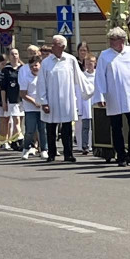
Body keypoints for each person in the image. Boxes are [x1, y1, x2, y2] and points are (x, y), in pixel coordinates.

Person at [94, 27, 130, 168]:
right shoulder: (105, 55)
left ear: (122, 40)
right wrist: (100, 96)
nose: (111, 42)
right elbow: (100, 76)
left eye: (113, 39)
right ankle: (120, 155)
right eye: (110, 39)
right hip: (113, 95)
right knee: (116, 127)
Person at [39, 35, 88, 163]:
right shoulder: (46, 62)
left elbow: (79, 77)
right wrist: (44, 102)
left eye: (55, 44)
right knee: (51, 128)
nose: (52, 46)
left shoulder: (70, 60)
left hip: (67, 99)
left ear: (62, 46)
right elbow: (41, 83)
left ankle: (68, 154)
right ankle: (51, 153)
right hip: (51, 99)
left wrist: (88, 89)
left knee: (67, 128)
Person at [20, 55, 48, 160]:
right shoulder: (26, 78)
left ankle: (44, 149)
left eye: (36, 65)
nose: (34, 68)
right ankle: (26, 148)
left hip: (42, 107)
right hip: (30, 108)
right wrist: (34, 102)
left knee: (43, 129)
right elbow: (23, 94)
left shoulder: (44, 77)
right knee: (30, 130)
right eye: (32, 66)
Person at [1, 47, 24, 147]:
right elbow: (3, 88)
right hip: (12, 98)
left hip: (22, 98)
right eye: (12, 54)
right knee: (16, 120)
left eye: (16, 54)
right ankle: (21, 140)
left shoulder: (23, 68)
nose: (14, 56)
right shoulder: (6, 70)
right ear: (9, 57)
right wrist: (4, 102)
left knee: (20, 121)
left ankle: (15, 142)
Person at [75, 53, 98, 154]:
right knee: (85, 127)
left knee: (96, 127)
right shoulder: (82, 77)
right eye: (87, 63)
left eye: (91, 63)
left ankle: (96, 145)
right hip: (85, 105)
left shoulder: (98, 75)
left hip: (96, 104)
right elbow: (79, 92)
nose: (89, 65)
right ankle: (85, 146)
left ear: (95, 63)